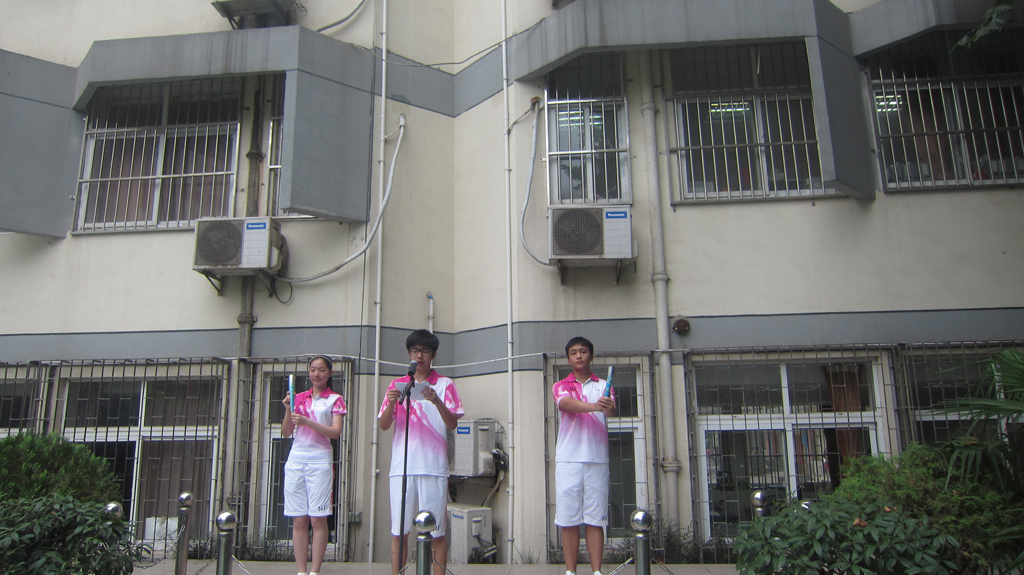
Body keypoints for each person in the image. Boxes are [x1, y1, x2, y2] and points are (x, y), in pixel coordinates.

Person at [378, 330, 464, 575]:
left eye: (425, 351)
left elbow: (453, 424)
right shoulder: (396, 385)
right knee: (399, 531)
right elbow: (384, 425)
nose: (419, 356)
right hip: (402, 468)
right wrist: (392, 402)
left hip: (433, 467)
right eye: (415, 351)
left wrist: (437, 401)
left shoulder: (445, 384)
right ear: (409, 354)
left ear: (433, 354)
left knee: (436, 532)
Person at [553, 336, 617, 575]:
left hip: (597, 460)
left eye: (583, 351)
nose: (578, 355)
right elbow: (567, 405)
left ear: (591, 355)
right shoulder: (561, 385)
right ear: (568, 359)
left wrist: (610, 408)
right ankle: (570, 571)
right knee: (568, 519)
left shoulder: (604, 386)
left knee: (595, 519)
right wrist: (596, 406)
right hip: (568, 460)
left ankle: (596, 571)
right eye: (573, 352)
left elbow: (610, 412)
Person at [281, 355, 347, 575]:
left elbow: (335, 432)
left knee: (318, 519)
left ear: (330, 373)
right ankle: (301, 571)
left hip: (319, 463)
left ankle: (315, 571)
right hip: (296, 461)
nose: (316, 374)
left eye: (321, 370)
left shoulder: (335, 399)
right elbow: (286, 432)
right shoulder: (299, 397)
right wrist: (288, 408)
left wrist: (308, 421)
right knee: (299, 520)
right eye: (312, 370)